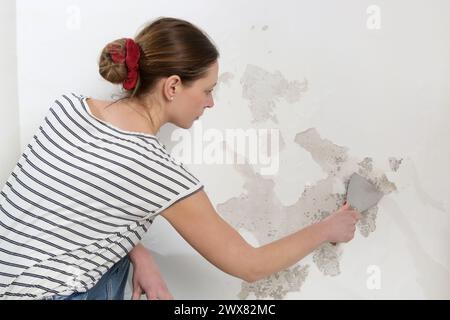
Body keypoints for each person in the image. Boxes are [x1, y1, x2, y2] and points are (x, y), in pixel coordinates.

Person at [0, 17, 361, 300]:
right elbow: (250, 266)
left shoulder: (68, 109)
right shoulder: (152, 170)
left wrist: (139, 255)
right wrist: (328, 228)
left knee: (119, 264)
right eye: (206, 90)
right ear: (172, 86)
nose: (210, 102)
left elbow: (77, 206)